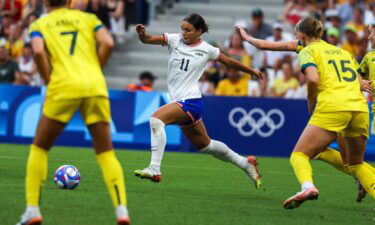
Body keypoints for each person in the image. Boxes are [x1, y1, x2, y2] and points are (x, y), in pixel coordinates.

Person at [237, 17, 375, 207]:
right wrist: (247, 38)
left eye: (295, 32)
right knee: (355, 164)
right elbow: (357, 80)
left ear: (302, 34)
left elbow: (312, 79)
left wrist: (311, 100)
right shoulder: (343, 52)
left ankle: (307, 186)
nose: (294, 35)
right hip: (359, 108)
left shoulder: (307, 51)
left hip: (333, 107)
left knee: (299, 155)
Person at [16, 0, 130, 224]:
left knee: (39, 148)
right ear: (69, 1)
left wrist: (48, 80)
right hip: (95, 85)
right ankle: (122, 212)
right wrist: (96, 69)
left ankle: (32, 210)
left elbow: (38, 51)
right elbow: (108, 42)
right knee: (106, 152)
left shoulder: (40, 24)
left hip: (63, 85)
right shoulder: (88, 19)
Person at [133, 13, 263, 189]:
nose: (184, 33)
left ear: (199, 31)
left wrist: (250, 71)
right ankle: (245, 163)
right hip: (182, 102)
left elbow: (229, 62)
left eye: (188, 30)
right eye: (182, 29)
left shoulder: (207, 49)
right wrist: (142, 33)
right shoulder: (174, 40)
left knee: (156, 119)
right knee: (205, 145)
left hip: (190, 101)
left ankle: (154, 168)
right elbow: (147, 39)